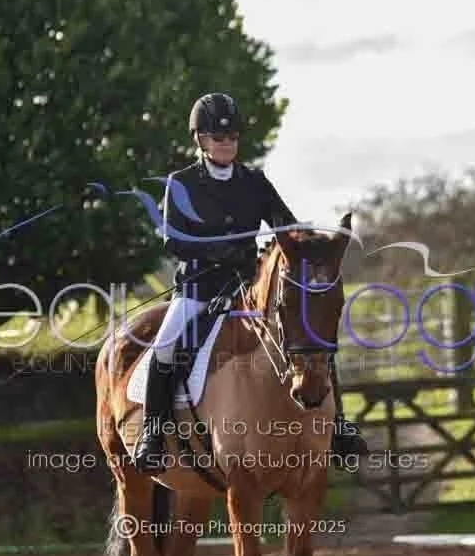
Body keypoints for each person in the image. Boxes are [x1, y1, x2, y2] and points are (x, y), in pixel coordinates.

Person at [133, 92, 368, 472]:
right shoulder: (181, 183)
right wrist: (218, 252)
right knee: (165, 346)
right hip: (199, 287)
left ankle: (338, 426)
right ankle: (153, 434)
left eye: (232, 137)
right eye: (218, 137)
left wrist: (315, 243)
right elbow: (173, 240)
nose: (227, 144)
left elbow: (285, 225)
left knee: (311, 337)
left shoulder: (254, 181)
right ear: (200, 139)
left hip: (248, 284)